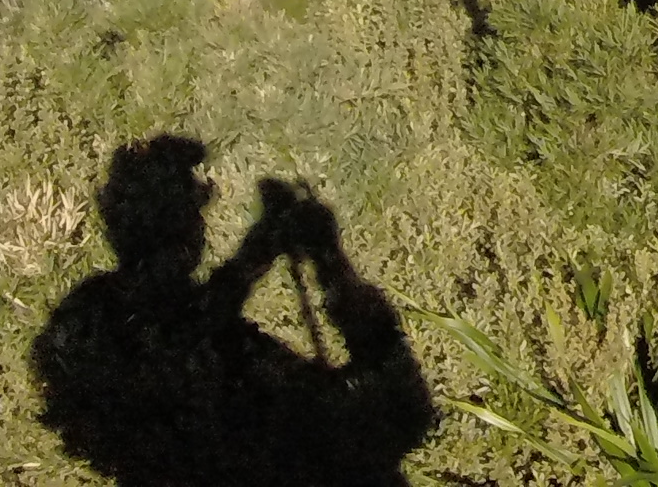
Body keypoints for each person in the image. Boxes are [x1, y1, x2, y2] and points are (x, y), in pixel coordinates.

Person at [33, 135, 432, 486]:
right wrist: (330, 263)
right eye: (189, 211)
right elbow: (403, 408)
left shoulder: (89, 325)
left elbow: (186, 321)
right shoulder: (233, 387)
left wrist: (265, 247)